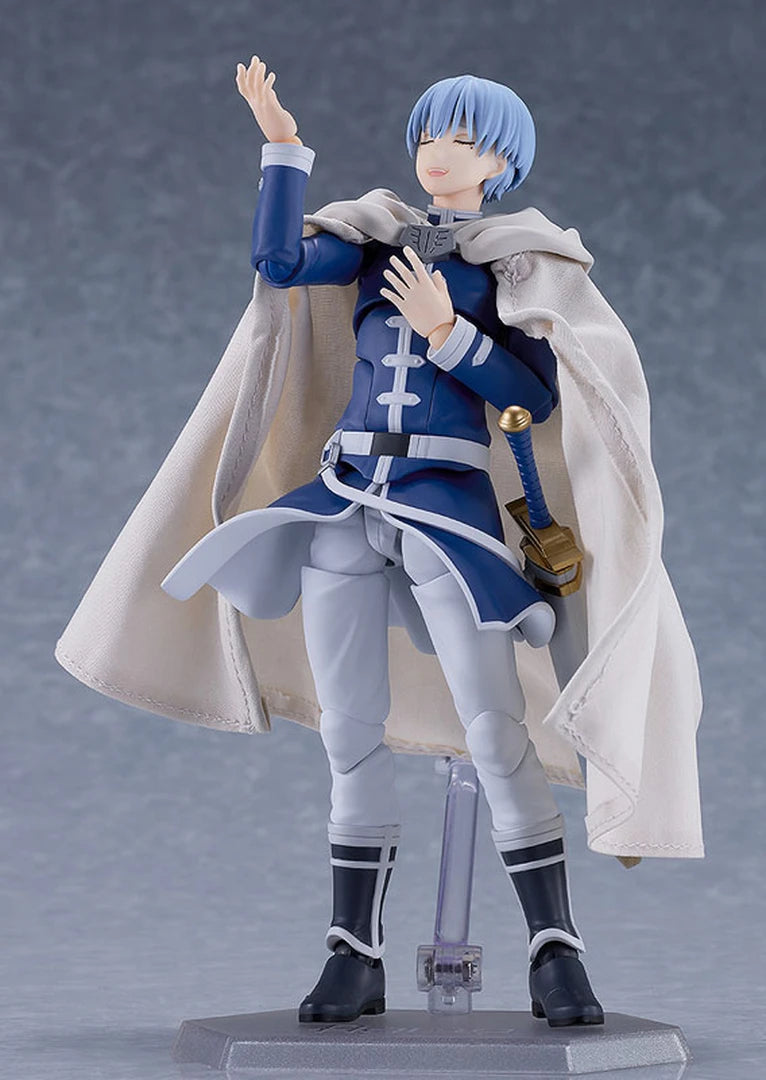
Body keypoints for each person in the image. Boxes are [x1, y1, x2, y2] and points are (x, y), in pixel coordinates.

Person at [55, 55, 704, 1032]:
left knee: (495, 731)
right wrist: (284, 151)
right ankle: (351, 950)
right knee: (349, 730)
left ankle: (554, 948)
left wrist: (450, 335)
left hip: (448, 510)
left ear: (500, 162)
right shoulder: (373, 244)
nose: (438, 153)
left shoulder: (516, 267)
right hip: (346, 498)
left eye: (463, 140)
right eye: (429, 135)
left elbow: (534, 396)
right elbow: (278, 266)